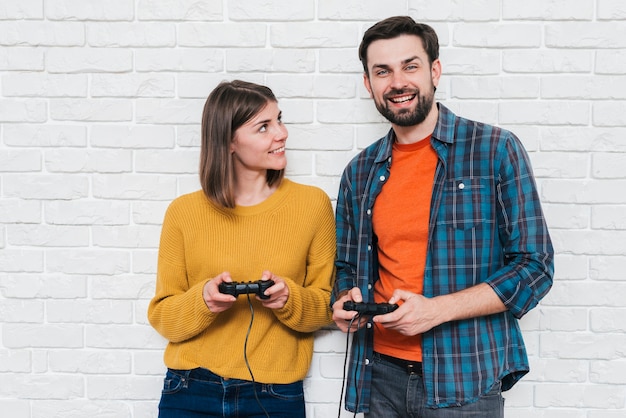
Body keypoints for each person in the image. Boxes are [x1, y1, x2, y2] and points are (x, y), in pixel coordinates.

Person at [331, 16, 554, 417]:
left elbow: (535, 267)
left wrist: (437, 310)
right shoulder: (360, 171)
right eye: (382, 71)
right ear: (368, 84)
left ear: (435, 70)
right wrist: (346, 299)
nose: (397, 82)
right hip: (378, 375)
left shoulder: (495, 150)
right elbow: (347, 265)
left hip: (465, 378)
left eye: (410, 66)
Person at [148, 80, 336, 418]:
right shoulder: (183, 212)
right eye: (264, 127)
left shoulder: (312, 205)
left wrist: (288, 299)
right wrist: (203, 300)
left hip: (274, 395)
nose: (282, 133)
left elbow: (327, 308)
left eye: (279, 119)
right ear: (229, 141)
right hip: (190, 390)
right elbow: (162, 316)